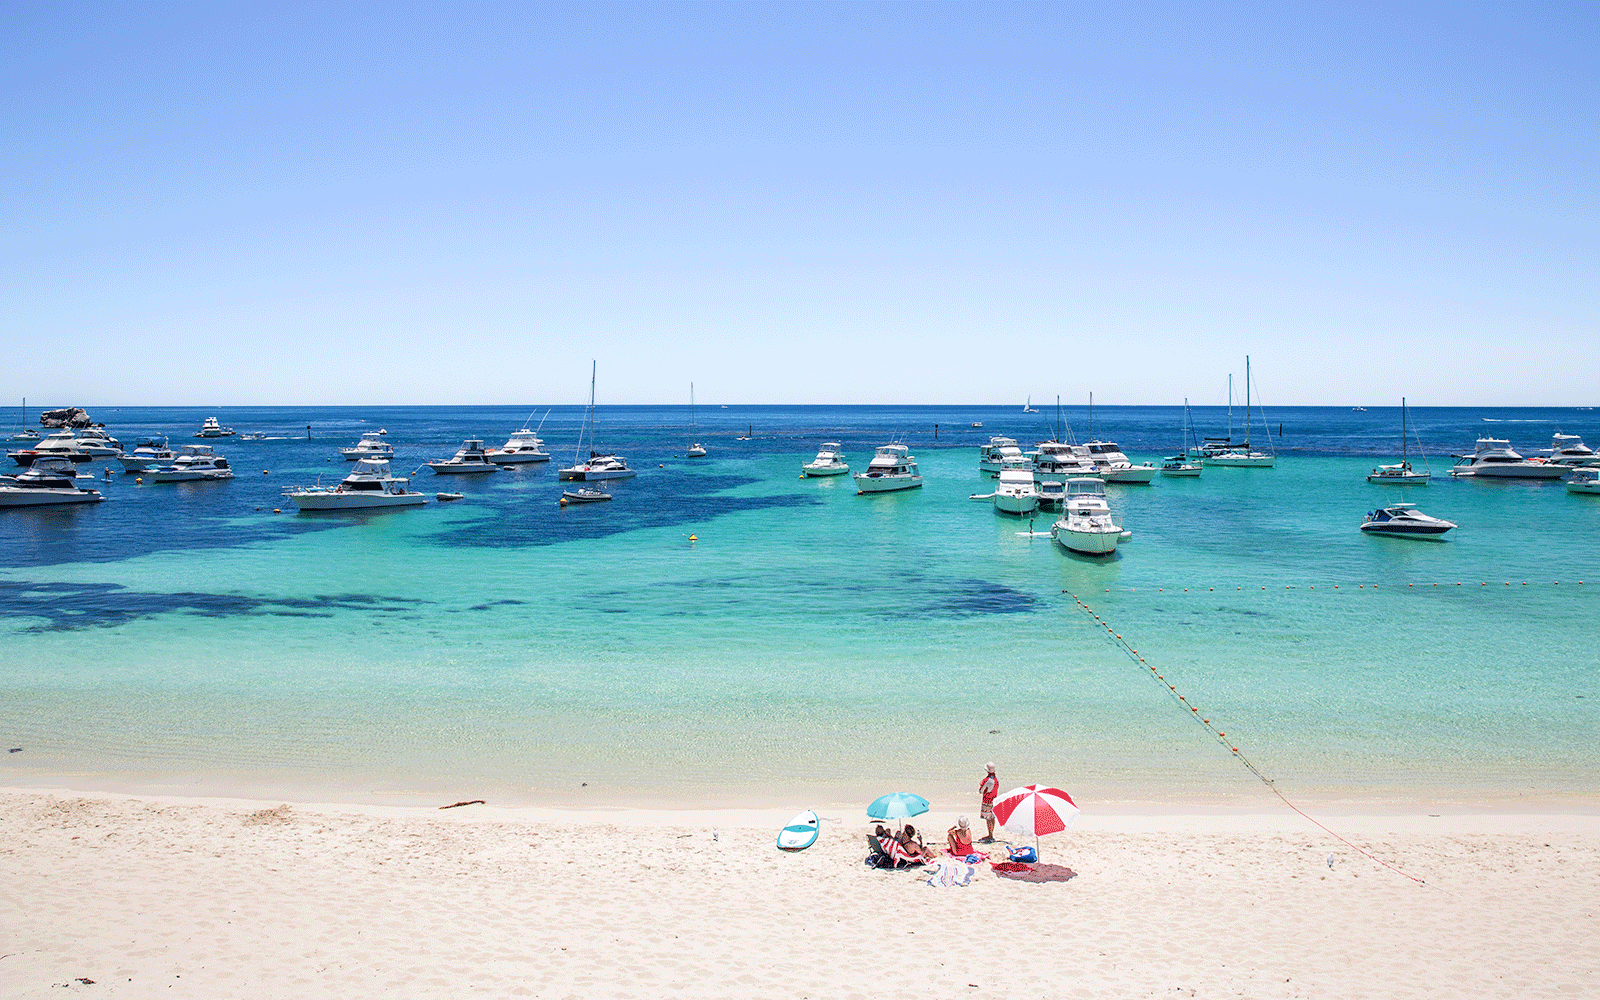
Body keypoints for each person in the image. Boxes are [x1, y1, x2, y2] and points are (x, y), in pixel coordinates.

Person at [979, 762, 999, 842]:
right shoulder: (996, 777)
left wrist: (981, 784)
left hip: (987, 801)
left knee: (988, 819)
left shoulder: (987, 780)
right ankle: (991, 834)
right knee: (992, 818)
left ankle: (990, 835)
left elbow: (981, 791)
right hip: (994, 800)